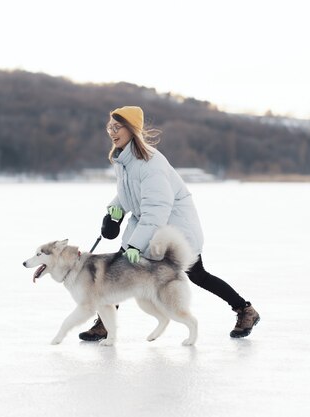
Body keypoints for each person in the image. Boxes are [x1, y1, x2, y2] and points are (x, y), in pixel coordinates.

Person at [79, 106, 260, 341]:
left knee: (197, 275)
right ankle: (104, 325)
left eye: (117, 127)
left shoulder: (150, 163)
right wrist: (115, 211)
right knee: (117, 271)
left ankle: (245, 310)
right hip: (148, 225)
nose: (112, 132)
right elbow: (128, 193)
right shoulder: (123, 159)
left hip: (176, 228)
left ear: (132, 129)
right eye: (109, 127)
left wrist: (134, 246)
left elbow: (157, 209)